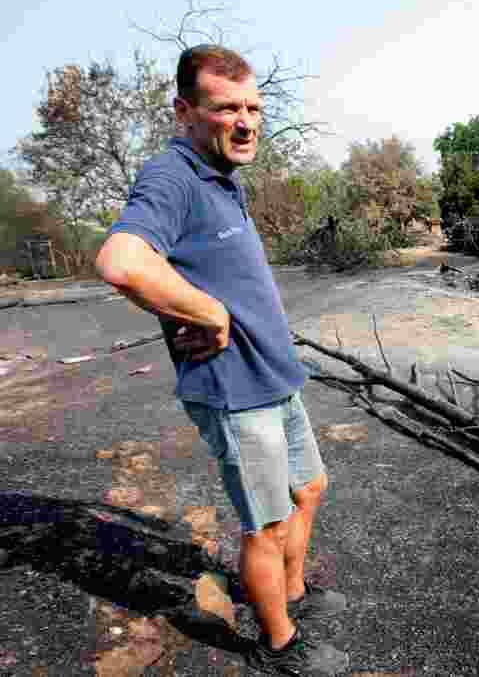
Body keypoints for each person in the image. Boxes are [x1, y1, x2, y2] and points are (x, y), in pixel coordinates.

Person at [94, 44, 348, 675]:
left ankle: (290, 593)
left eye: (253, 107)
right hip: (235, 390)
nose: (246, 121)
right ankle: (278, 644)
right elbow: (121, 261)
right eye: (226, 108)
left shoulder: (222, 177)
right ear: (185, 110)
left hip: (274, 378)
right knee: (265, 524)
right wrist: (207, 314)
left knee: (309, 488)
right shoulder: (173, 176)